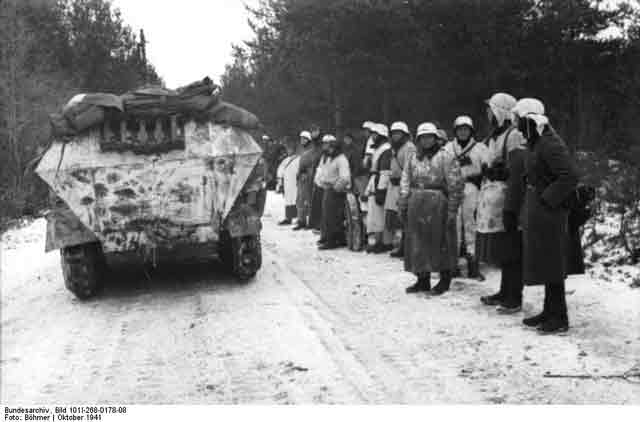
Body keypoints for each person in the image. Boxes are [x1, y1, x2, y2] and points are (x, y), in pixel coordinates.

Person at [513, 98, 579, 334]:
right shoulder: (536, 141)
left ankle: (559, 316)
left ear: (529, 119)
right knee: (544, 260)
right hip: (539, 208)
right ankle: (550, 311)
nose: (516, 124)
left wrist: (546, 198)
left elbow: (570, 175)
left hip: (549, 211)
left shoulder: (549, 142)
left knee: (552, 261)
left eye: (519, 120)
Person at [477, 93, 527, 314]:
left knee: (512, 246)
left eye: (491, 109)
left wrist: (502, 171)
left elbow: (518, 169)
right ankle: (505, 290)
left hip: (508, 196)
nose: (487, 114)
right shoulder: (495, 135)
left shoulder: (514, 135)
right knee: (504, 246)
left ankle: (514, 296)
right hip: (494, 197)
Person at [400, 122, 463, 295]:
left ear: (436, 138)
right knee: (417, 240)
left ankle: (444, 279)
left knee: (442, 240)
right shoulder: (412, 157)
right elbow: (405, 179)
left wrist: (452, 209)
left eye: (430, 137)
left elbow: (455, 184)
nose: (426, 141)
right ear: (418, 139)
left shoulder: (446, 156)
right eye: (423, 137)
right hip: (416, 201)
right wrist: (404, 201)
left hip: (438, 202)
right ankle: (422, 279)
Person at [444, 116, 489, 280]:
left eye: (466, 129)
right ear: (455, 131)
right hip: (453, 188)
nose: (463, 132)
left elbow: (487, 168)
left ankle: (473, 263)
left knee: (471, 224)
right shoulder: (448, 148)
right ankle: (452, 263)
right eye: (460, 129)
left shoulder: (480, 148)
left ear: (471, 131)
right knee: (453, 224)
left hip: (472, 187)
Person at [315, 134, 352, 250]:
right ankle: (328, 237)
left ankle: (332, 240)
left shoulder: (341, 159)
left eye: (327, 145)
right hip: (327, 189)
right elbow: (322, 171)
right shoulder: (327, 157)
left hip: (335, 191)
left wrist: (335, 188)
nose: (325, 147)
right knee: (326, 216)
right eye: (324, 144)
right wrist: (320, 182)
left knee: (333, 216)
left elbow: (345, 177)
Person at [386, 121, 416, 258]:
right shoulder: (396, 148)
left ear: (404, 134)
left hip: (405, 185)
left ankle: (408, 247)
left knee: (408, 218)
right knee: (401, 218)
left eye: (398, 133)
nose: (395, 136)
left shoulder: (409, 148)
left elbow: (409, 169)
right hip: (395, 185)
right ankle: (403, 246)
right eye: (393, 134)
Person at [364, 123, 393, 253]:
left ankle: (381, 242)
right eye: (372, 134)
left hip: (380, 184)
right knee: (375, 214)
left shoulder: (385, 150)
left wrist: (381, 190)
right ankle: (379, 241)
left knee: (378, 215)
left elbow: (385, 172)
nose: (373, 136)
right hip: (375, 181)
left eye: (375, 134)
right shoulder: (379, 149)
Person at [275, 138, 300, 225]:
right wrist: (280, 181)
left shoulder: (298, 159)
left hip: (294, 182)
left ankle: (297, 218)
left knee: (294, 200)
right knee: (288, 200)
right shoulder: (286, 160)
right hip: (286, 183)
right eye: (288, 149)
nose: (289, 150)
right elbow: (280, 170)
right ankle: (289, 217)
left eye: (290, 149)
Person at [294, 130, 314, 230]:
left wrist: (305, 173)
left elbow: (310, 164)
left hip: (308, 177)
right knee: (300, 199)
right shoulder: (301, 149)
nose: (302, 140)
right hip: (301, 177)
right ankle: (301, 220)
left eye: (304, 138)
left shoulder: (311, 150)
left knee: (308, 200)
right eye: (301, 138)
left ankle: (310, 221)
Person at [308, 125, 325, 231]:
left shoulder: (321, 143)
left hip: (321, 173)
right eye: (312, 131)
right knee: (315, 200)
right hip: (315, 173)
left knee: (320, 200)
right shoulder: (314, 144)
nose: (313, 133)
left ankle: (320, 224)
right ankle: (316, 223)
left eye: (314, 131)